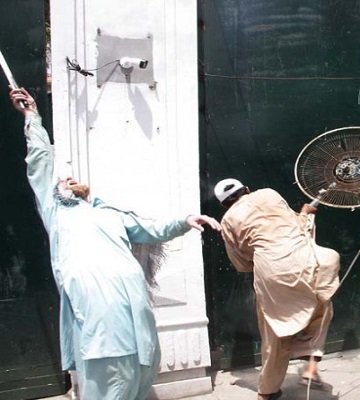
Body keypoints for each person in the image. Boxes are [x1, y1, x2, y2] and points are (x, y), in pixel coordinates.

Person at [9, 87, 222, 400]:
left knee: (141, 374)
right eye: (60, 181)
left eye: (69, 178)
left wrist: (184, 221)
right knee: (110, 379)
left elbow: (151, 228)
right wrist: (32, 117)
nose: (64, 180)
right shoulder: (56, 212)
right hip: (98, 314)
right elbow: (41, 163)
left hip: (135, 311)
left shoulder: (109, 212)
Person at [214, 178, 340, 400]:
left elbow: (242, 265)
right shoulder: (269, 192)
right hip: (309, 260)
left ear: (225, 204)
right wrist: (307, 213)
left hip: (271, 270)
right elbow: (297, 228)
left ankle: (267, 393)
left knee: (274, 334)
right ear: (247, 189)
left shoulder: (228, 220)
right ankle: (309, 355)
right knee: (322, 306)